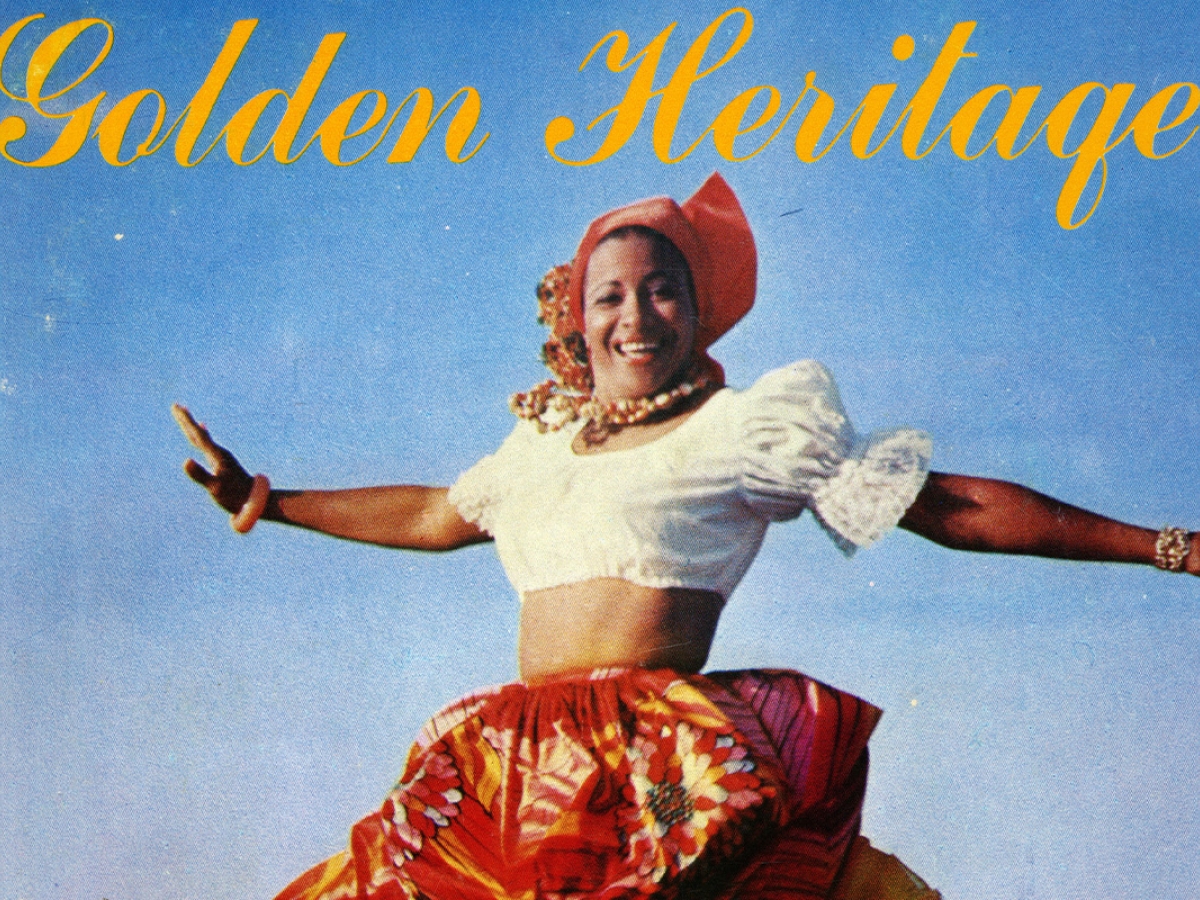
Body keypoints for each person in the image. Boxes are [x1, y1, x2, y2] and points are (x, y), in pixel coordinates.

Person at [174, 173, 1197, 900]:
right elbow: (436, 514)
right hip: (512, 765)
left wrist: (1156, 543)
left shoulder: (744, 428)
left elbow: (946, 506)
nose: (636, 314)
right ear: (576, 322)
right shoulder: (537, 449)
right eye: (608, 295)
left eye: (661, 288)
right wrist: (270, 496)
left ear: (698, 313)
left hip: (658, 763)